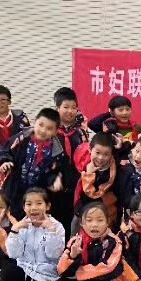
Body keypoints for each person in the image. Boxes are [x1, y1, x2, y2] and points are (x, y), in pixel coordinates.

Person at [0, 187, 66, 281]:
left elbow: (54, 254)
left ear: (47, 206)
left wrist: (51, 231)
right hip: (25, 269)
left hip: (45, 275)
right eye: (29, 204)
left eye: (39, 203)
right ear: (24, 207)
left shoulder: (57, 226)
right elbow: (13, 254)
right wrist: (15, 231)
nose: (33, 207)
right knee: (6, 270)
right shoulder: (22, 225)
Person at [56, 201, 126, 281]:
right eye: (89, 220)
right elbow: (61, 270)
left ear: (107, 222)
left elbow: (107, 268)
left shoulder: (114, 242)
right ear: (82, 223)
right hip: (84, 280)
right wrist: (72, 256)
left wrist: (79, 274)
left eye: (100, 220)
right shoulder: (75, 241)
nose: (94, 225)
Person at [0, 108, 67, 218]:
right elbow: (6, 151)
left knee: (32, 219)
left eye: (49, 128)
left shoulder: (56, 151)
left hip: (37, 193)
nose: (43, 130)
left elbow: (54, 171)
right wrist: (6, 161)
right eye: (40, 125)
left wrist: (54, 180)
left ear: (55, 131)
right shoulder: (21, 138)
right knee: (11, 216)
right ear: (34, 122)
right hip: (14, 188)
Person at [53, 88, 89, 238]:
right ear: (57, 108)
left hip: (75, 184)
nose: (70, 111)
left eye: (74, 108)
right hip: (54, 185)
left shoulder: (81, 132)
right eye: (66, 107)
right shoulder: (50, 130)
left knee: (72, 222)